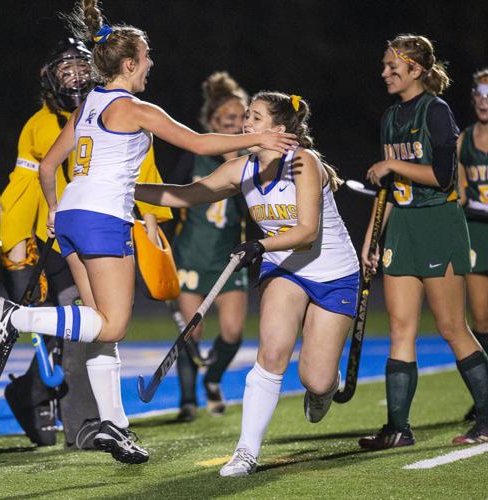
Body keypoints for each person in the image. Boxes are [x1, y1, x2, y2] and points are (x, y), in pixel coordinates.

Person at [0, 0, 295, 465]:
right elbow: (199, 142)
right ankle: (15, 317)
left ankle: (115, 426)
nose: (151, 63)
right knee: (113, 324)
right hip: (104, 221)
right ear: (129, 64)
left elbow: (49, 165)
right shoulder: (133, 108)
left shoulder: (88, 103)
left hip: (72, 216)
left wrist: (54, 209)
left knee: (99, 333)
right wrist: (258, 138)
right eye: (146, 57)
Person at [136, 91, 360, 477]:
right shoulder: (243, 168)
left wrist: (259, 243)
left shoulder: (304, 162)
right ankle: (245, 451)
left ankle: (326, 384)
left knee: (316, 378)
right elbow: (186, 196)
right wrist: (125, 190)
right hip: (284, 268)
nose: (245, 124)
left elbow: (306, 232)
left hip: (333, 273)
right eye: (246, 117)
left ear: (278, 129)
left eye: (255, 118)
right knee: (271, 353)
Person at [0, 38, 170, 449]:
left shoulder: (107, 108)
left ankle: (86, 424)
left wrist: (149, 216)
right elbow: (28, 179)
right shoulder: (39, 124)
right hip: (53, 236)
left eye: (80, 68)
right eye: (65, 71)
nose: (74, 78)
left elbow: (139, 167)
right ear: (50, 80)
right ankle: (40, 395)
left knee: (91, 329)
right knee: (83, 328)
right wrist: (17, 238)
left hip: (92, 229)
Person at [360, 34, 488, 450]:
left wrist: (392, 162)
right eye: (385, 66)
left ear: (416, 70)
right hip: (402, 226)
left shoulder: (436, 111)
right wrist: (372, 239)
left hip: (438, 224)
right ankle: (398, 428)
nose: (385, 72)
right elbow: (389, 188)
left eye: (393, 66)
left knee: (450, 327)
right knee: (400, 329)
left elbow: (443, 176)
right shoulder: (389, 117)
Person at [167, 71, 249, 422]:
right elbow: (169, 197)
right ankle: (187, 401)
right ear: (211, 123)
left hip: (229, 259)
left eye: (241, 119)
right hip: (191, 256)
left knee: (232, 333)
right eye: (227, 120)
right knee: (191, 333)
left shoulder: (252, 161)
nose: (235, 125)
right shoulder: (195, 156)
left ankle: (212, 379)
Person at [457, 67, 488, 420]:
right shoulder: (465, 139)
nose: (483, 101)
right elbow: (459, 192)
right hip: (476, 231)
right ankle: (486, 397)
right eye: (479, 94)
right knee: (481, 319)